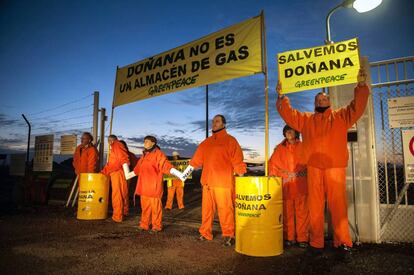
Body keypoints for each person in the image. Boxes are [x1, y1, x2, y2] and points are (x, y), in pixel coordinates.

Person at [275, 68, 369, 255]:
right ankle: (316, 242)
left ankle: (343, 242)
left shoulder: (341, 116)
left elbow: (357, 107)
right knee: (315, 207)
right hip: (314, 167)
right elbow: (289, 115)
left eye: (324, 99)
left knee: (338, 206)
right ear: (314, 103)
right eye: (318, 99)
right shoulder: (306, 120)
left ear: (330, 102)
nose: (322, 101)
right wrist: (281, 96)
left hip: (335, 167)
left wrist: (360, 86)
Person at [181, 114, 246, 247]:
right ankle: (205, 233)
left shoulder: (230, 140)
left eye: (217, 121)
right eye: (213, 121)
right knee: (206, 210)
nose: (214, 123)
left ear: (223, 124)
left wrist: (242, 178)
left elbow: (237, 160)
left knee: (225, 210)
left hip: (223, 183)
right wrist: (183, 175)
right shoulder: (206, 143)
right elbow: (195, 161)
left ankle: (229, 235)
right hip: (208, 183)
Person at [125, 136, 184, 232]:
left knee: (156, 208)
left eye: (147, 141)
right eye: (144, 141)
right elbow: (137, 169)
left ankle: (156, 226)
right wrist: (127, 175)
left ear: (153, 143)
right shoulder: (144, 156)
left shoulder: (158, 154)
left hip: (154, 187)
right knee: (145, 208)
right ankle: (144, 225)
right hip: (144, 187)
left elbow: (165, 165)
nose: (145, 143)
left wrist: (178, 173)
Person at [269, 125, 309, 248]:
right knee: (287, 213)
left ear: (296, 132)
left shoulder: (305, 147)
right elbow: (272, 166)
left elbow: (311, 164)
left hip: (301, 185)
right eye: (286, 131)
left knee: (302, 213)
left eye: (291, 130)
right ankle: (289, 237)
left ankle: (303, 238)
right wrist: (274, 179)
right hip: (286, 186)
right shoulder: (279, 149)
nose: (289, 133)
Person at [101, 135, 130, 222]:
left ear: (110, 141)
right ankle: (124, 212)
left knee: (117, 194)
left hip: (117, 172)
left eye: (109, 141)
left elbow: (117, 162)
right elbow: (120, 160)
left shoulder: (116, 145)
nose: (109, 143)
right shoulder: (118, 146)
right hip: (120, 172)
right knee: (122, 193)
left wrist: (105, 171)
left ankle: (117, 216)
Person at [119, 140, 139, 216]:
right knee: (119, 193)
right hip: (119, 175)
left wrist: (132, 175)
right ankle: (120, 209)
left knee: (124, 193)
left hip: (127, 176)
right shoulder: (118, 154)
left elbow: (136, 166)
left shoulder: (130, 155)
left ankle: (125, 210)